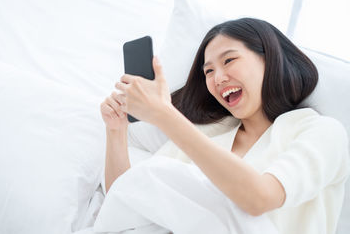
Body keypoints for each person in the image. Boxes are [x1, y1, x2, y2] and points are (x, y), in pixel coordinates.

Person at [99, 18, 349, 234]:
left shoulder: (321, 132)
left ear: (269, 59)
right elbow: (127, 198)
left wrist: (165, 116)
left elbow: (259, 198)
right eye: (208, 71)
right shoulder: (206, 135)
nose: (217, 78)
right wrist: (116, 130)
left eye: (229, 60)